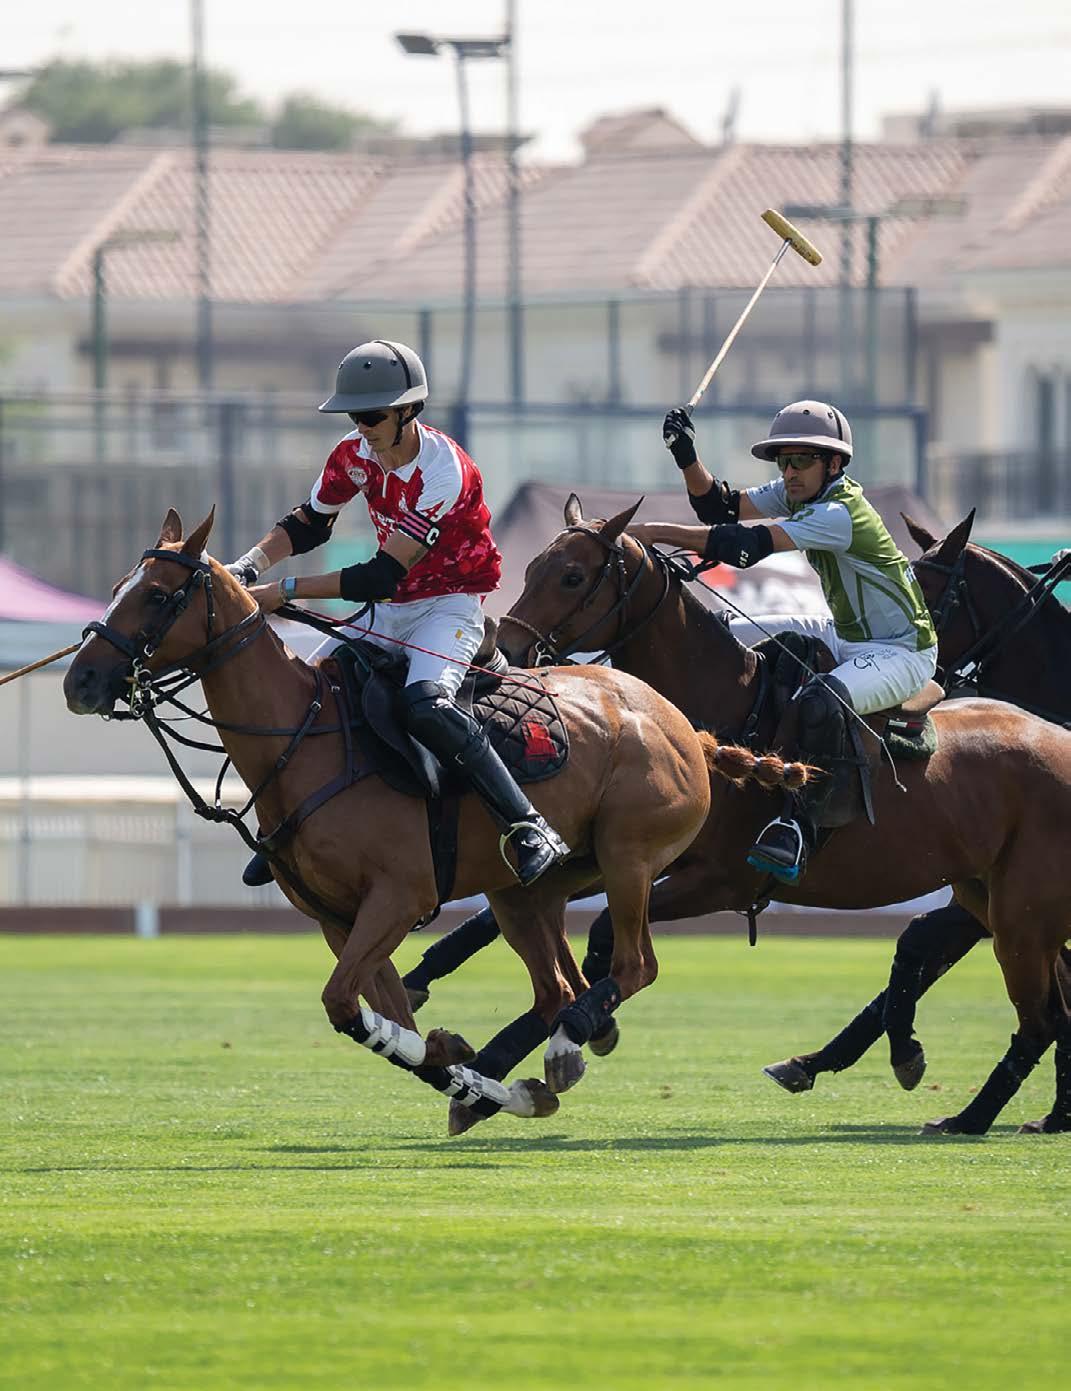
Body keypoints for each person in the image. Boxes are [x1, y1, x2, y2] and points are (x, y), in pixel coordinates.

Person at [226, 339, 570, 889]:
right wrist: (247, 566)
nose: (361, 428)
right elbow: (309, 523)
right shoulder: (352, 455)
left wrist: (283, 591)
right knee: (307, 694)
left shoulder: (445, 471)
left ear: (409, 411)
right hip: (390, 607)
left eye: (371, 417)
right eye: (353, 417)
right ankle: (285, 825)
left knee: (427, 704)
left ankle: (528, 826)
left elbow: (378, 576)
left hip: (449, 604)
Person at [629, 400, 938, 884]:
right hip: (843, 634)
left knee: (820, 698)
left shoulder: (840, 512)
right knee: (717, 632)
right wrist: (685, 454)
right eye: (783, 462)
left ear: (832, 464)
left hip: (902, 652)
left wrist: (650, 533)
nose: (789, 472)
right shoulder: (801, 492)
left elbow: (744, 547)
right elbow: (719, 507)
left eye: (801, 461)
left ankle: (798, 826)